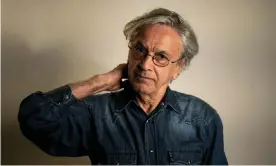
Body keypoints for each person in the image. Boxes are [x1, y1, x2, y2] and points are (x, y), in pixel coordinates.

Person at [18, 8, 228, 165]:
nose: (145, 64)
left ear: (178, 67)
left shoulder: (203, 119)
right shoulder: (96, 113)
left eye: (161, 57)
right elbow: (33, 118)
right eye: (139, 50)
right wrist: (97, 82)